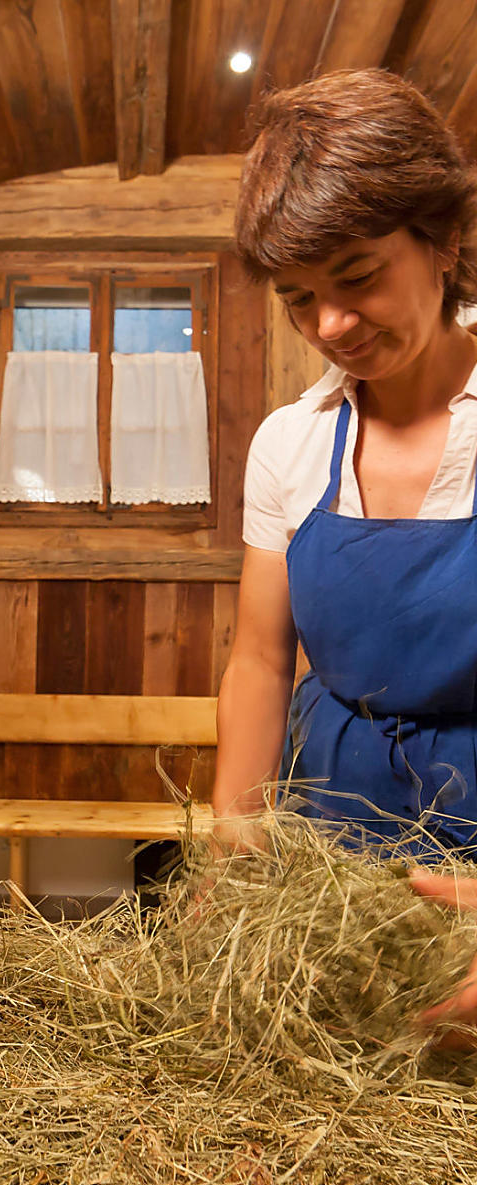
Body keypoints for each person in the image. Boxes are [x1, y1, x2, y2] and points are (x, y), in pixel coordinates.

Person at [212, 69, 477, 1041]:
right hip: (332, 833)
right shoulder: (289, 442)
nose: (329, 326)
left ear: (444, 238)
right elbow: (258, 656)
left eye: (358, 275)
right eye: (298, 297)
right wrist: (233, 850)